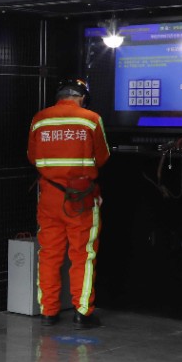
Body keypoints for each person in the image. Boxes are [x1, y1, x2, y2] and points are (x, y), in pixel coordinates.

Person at [27, 78, 110, 328]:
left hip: (49, 196)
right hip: (80, 197)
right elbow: (102, 156)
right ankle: (82, 312)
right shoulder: (91, 119)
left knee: (49, 254)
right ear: (82, 97)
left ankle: (48, 312)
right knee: (83, 254)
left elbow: (32, 156)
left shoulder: (40, 119)